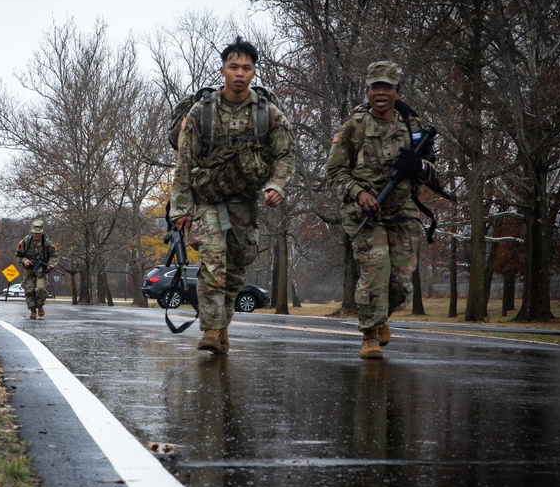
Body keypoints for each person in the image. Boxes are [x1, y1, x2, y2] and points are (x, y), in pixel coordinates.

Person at [169, 37, 295, 353]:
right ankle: (211, 331)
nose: (239, 73)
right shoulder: (201, 113)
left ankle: (222, 327)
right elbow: (183, 161)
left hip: (244, 202)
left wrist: (276, 186)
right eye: (233, 67)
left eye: (246, 68)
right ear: (223, 69)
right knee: (213, 261)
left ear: (254, 72)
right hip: (206, 201)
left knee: (236, 269)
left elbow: (286, 154)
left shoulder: (269, 114)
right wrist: (181, 207)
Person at [326, 60, 437, 359]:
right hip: (364, 214)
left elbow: (434, 174)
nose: (380, 92)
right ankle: (370, 334)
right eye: (375, 86)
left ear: (397, 92)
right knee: (375, 273)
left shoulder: (413, 127)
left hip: (402, 210)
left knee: (400, 283)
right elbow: (335, 172)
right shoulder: (353, 126)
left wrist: (419, 166)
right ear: (368, 91)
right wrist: (358, 192)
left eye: (386, 87)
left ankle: (380, 316)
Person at [15, 219, 58, 319]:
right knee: (29, 290)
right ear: (32, 232)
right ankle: (33, 310)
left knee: (40, 289)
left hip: (41, 270)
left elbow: (54, 255)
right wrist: (24, 260)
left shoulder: (47, 243)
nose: (36, 235)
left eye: (38, 233)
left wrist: (51, 264)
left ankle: (40, 305)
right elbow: (18, 254)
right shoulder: (26, 241)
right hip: (29, 269)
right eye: (35, 233)